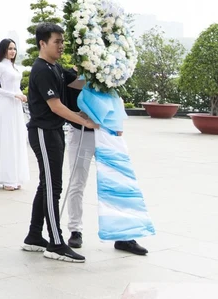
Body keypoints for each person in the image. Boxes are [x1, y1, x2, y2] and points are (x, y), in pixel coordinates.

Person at [22, 22, 97, 263]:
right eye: (57, 41)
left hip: (54, 132)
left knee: (46, 185)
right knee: (53, 187)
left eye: (63, 41)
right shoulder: (41, 70)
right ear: (42, 43)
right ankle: (56, 243)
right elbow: (55, 106)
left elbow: (76, 83)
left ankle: (34, 236)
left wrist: (99, 74)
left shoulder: (55, 67)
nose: (61, 45)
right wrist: (83, 120)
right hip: (43, 132)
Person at [63, 73, 149, 256]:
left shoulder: (108, 72)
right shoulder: (69, 74)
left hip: (107, 132)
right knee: (77, 182)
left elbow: (115, 98)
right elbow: (65, 103)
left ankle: (124, 235)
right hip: (81, 132)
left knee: (118, 182)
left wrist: (118, 124)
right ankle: (75, 230)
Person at [0, 39, 30, 191]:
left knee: (17, 138)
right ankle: (7, 178)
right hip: (5, 105)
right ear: (3, 50)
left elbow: (16, 87)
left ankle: (16, 176)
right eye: (9, 49)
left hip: (15, 105)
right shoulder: (0, 66)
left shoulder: (14, 67)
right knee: (7, 138)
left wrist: (21, 94)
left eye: (14, 48)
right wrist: (13, 94)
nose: (12, 51)